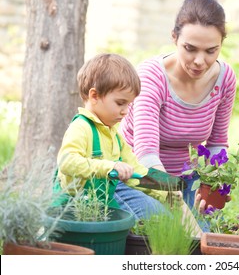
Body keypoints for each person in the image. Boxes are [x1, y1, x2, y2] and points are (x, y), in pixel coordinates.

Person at [119, 0, 237, 209]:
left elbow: (217, 143)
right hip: (137, 177)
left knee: (203, 236)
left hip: (186, 181)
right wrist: (175, 203)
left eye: (211, 51)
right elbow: (146, 153)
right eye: (190, 48)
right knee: (161, 222)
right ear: (174, 37)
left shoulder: (225, 78)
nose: (200, 61)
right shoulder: (152, 77)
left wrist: (215, 186)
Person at [55, 53, 167, 220]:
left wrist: (165, 191)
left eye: (129, 104)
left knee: (158, 215)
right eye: (120, 103)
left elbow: (137, 170)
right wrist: (109, 167)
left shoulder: (114, 135)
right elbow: (67, 161)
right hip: (73, 207)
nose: (126, 111)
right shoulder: (81, 127)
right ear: (94, 96)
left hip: (101, 201)